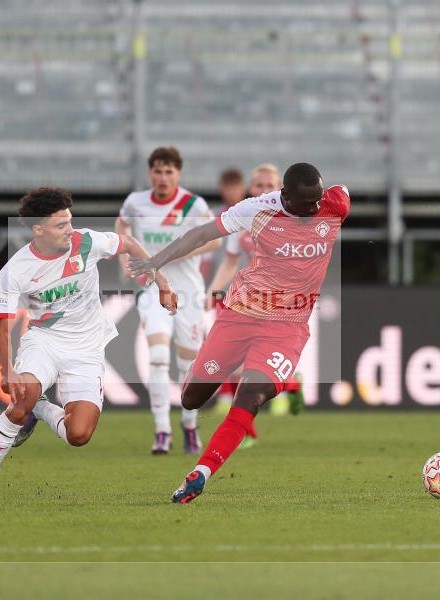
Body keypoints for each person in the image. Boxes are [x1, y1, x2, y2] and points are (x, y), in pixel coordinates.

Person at [128, 163, 350, 503]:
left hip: (287, 326)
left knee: (251, 394)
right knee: (192, 399)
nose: (314, 209)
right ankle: (264, 382)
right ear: (284, 196)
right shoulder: (257, 209)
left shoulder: (335, 204)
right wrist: (158, 259)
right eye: (306, 204)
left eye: (317, 201)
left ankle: (200, 473)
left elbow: (340, 193)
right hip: (240, 316)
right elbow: (202, 235)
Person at [0, 187, 176, 504]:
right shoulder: (15, 270)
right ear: (38, 230)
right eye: (60, 225)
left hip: (87, 347)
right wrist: (7, 371)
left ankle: (40, 408)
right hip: (44, 341)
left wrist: (163, 284)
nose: (70, 230)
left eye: (70, 221)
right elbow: (1, 330)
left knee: (79, 434)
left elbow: (129, 243)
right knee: (20, 401)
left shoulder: (86, 242)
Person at [116, 147, 221, 455]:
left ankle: (189, 425)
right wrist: (124, 258)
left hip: (188, 290)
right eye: (158, 171)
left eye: (169, 172)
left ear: (178, 174)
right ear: (150, 173)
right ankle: (162, 431)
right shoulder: (135, 202)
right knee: (159, 356)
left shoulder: (193, 204)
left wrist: (177, 251)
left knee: (188, 364)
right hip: (153, 288)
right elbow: (122, 227)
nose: (163, 177)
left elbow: (215, 240)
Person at [207, 164, 305, 421]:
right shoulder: (243, 219)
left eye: (269, 185)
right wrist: (213, 290)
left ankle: (288, 389)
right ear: (250, 189)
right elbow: (229, 263)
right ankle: (246, 417)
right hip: (246, 298)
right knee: (238, 358)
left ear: (280, 189)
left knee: (266, 360)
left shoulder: (294, 220)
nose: (264, 190)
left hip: (282, 300)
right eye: (259, 185)